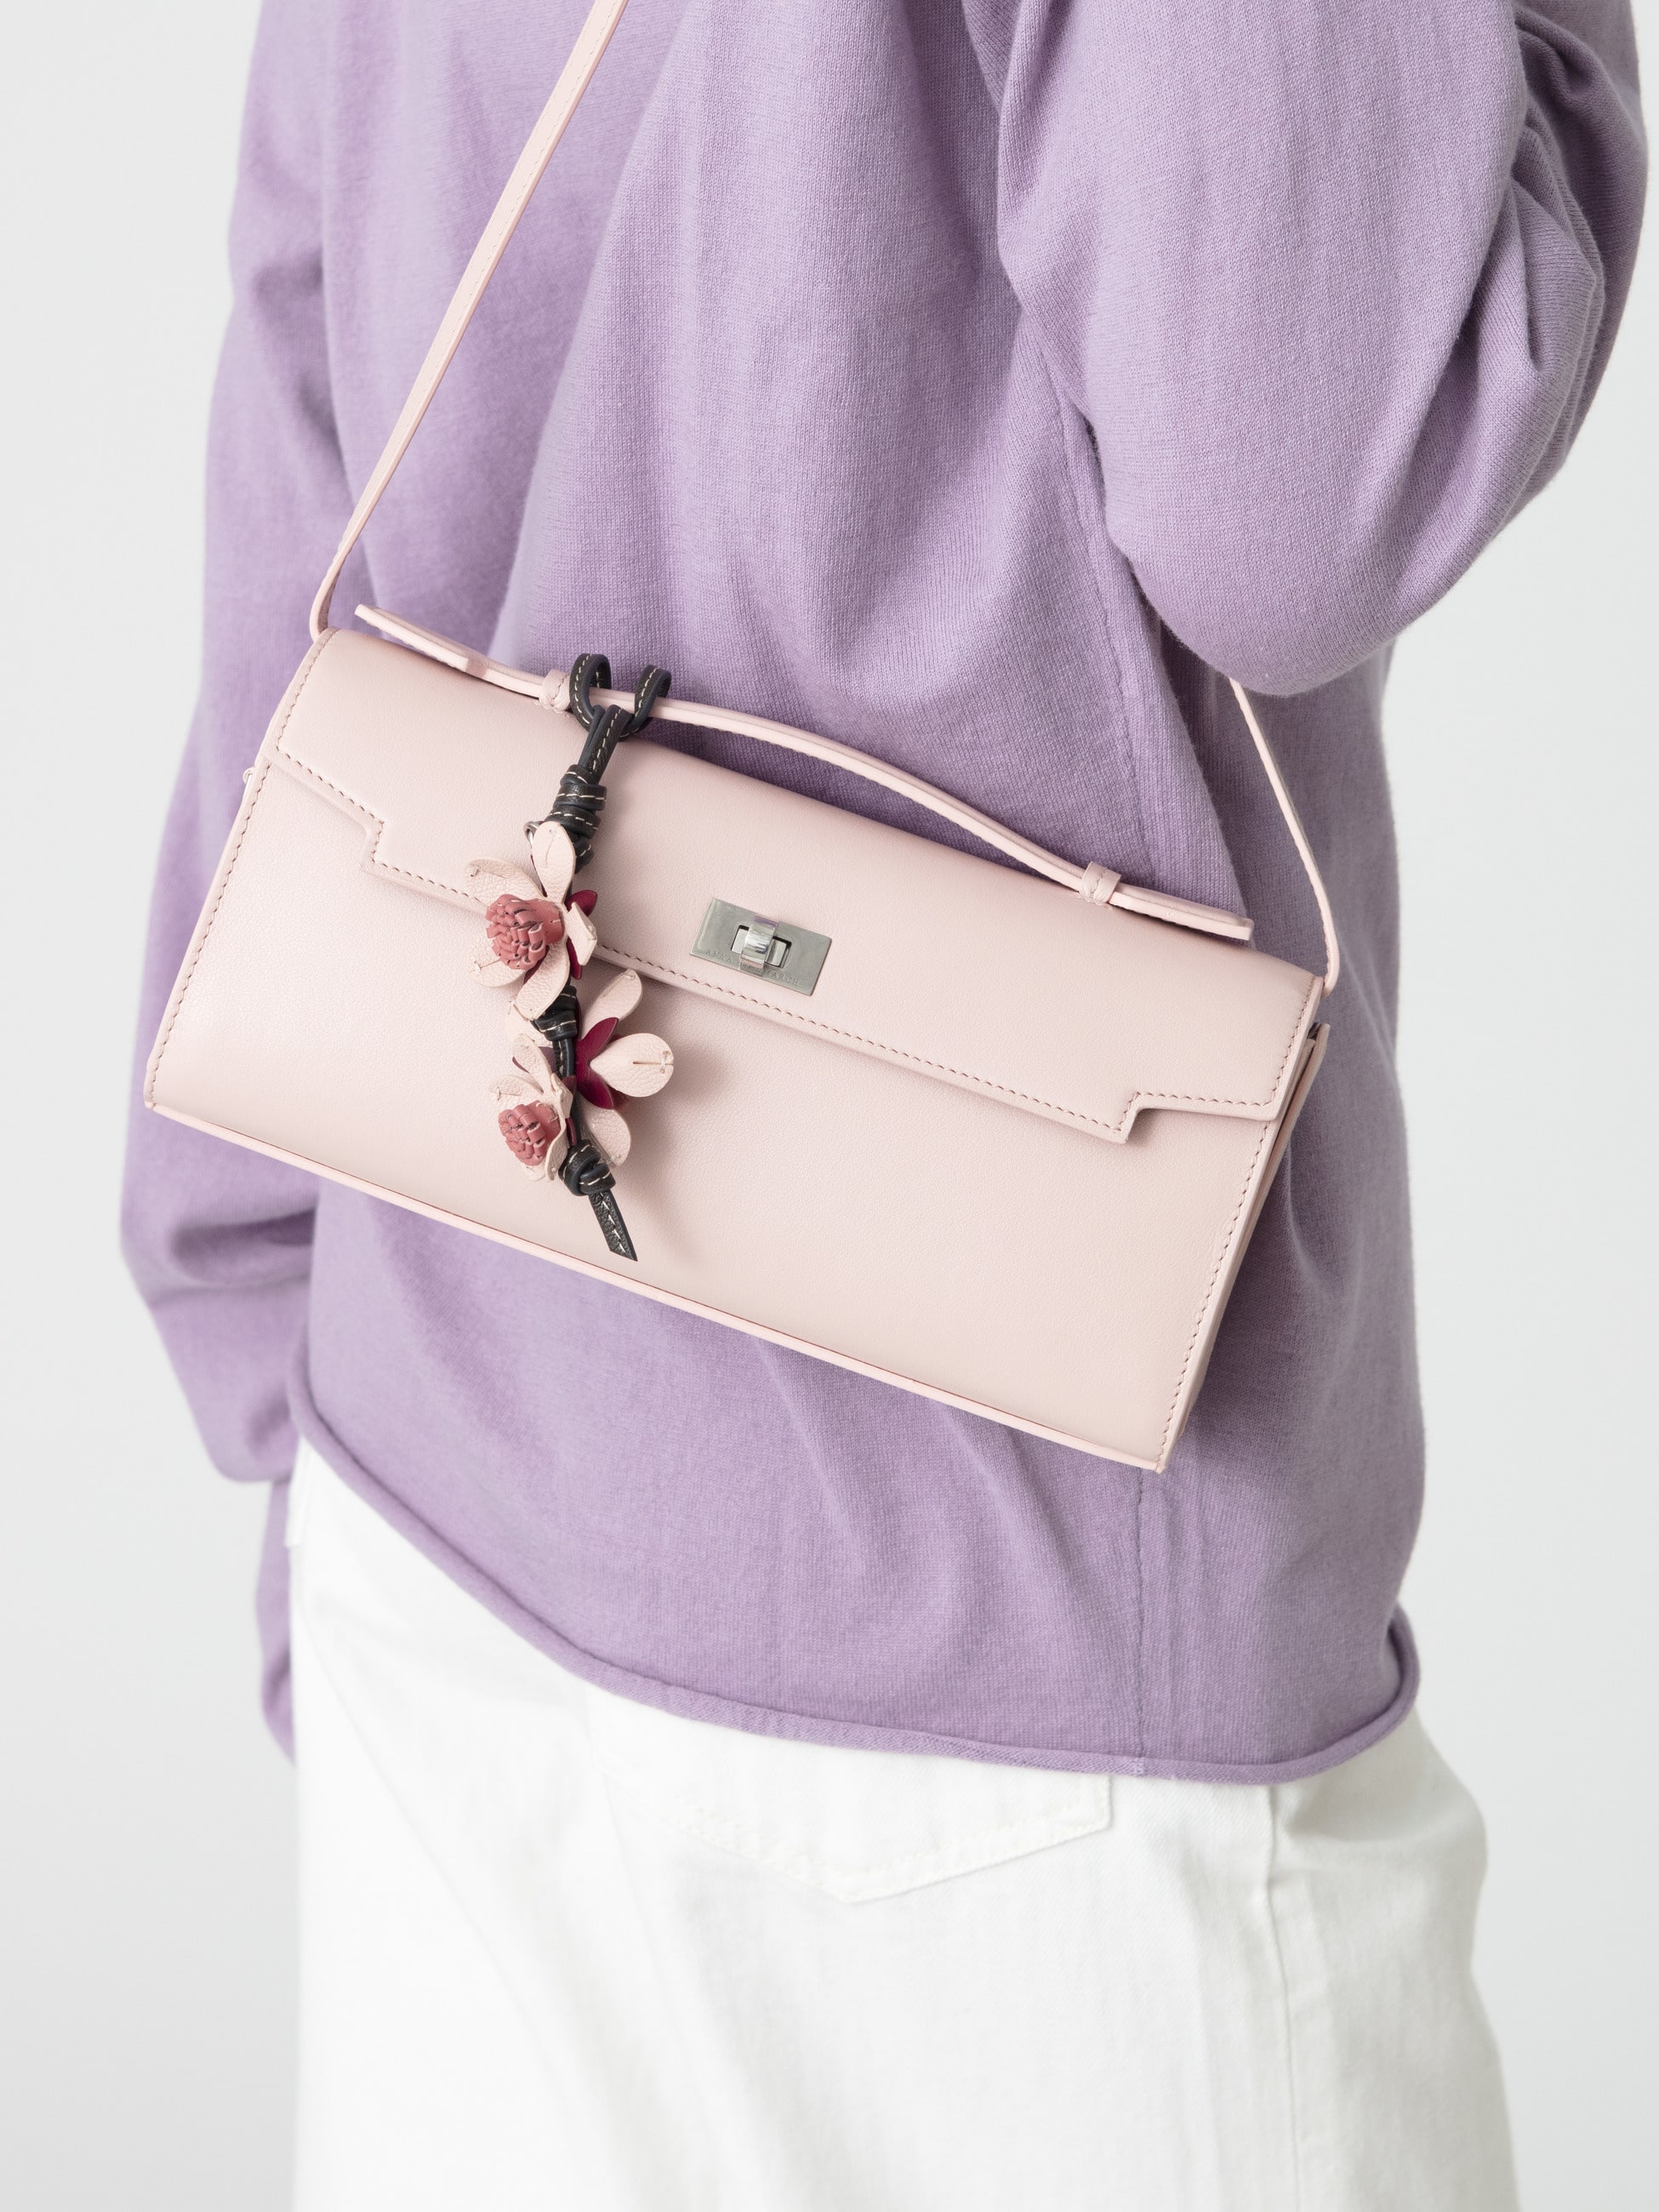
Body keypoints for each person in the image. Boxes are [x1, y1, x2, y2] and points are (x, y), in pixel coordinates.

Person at [123, 2, 1645, 2205]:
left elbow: (310, 369)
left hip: (434, 1496)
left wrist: (263, 1337)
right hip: (1047, 1694)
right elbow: (1304, 481)